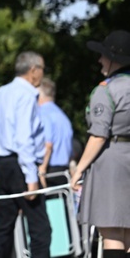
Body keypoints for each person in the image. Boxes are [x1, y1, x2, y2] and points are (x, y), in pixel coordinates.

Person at [0, 51, 51, 258]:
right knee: (40, 230)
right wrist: (31, 177)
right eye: (42, 69)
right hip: (19, 165)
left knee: (1, 229)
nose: (42, 74)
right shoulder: (26, 95)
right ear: (33, 70)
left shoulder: (1, 92)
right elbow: (23, 138)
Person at [71, 30, 130, 258]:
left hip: (112, 161)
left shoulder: (106, 90)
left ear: (114, 59)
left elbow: (98, 135)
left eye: (103, 55)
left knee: (112, 233)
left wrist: (79, 169)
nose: (99, 60)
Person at [37, 76, 73, 187]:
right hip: (63, 171)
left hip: (48, 171)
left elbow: (48, 145)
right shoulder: (63, 117)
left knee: (51, 203)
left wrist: (42, 170)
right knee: (62, 203)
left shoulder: (42, 113)